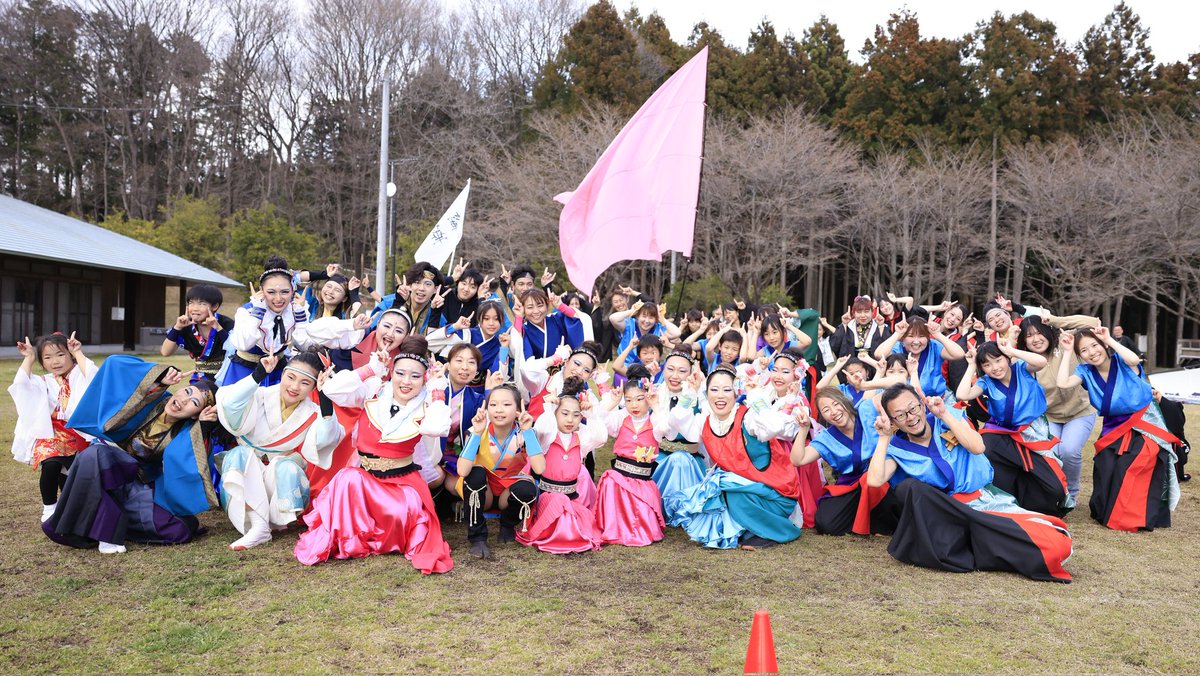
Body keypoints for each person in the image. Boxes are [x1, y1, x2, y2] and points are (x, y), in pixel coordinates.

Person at [868, 384, 1074, 583]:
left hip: (982, 502)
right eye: (901, 415)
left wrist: (944, 415)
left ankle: (984, 544)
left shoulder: (947, 417)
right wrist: (884, 437)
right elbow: (875, 480)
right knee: (910, 489)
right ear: (893, 421)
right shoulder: (898, 449)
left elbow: (977, 446)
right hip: (949, 514)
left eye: (913, 408)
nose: (911, 418)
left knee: (1055, 541)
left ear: (922, 404)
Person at [293, 335, 455, 574]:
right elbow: (332, 389)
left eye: (415, 375)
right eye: (400, 373)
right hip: (367, 479)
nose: (406, 381)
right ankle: (350, 538)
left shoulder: (428, 401)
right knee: (347, 478)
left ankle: (383, 537)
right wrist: (370, 369)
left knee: (404, 510)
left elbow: (435, 428)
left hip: (402, 485)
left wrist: (438, 391)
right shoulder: (376, 388)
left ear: (425, 378)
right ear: (392, 371)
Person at [44, 356, 219, 553]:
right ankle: (105, 531)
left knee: (179, 530)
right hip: (107, 462)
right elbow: (114, 365)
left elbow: (180, 461)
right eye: (186, 391)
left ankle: (102, 521)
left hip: (135, 483)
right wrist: (159, 377)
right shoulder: (153, 396)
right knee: (95, 454)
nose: (183, 401)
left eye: (193, 402)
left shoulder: (187, 432)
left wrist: (202, 426)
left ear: (197, 414)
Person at [215, 351, 343, 550]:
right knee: (240, 454)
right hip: (248, 470)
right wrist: (258, 374)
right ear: (282, 374)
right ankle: (258, 526)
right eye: (290, 377)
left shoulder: (313, 412)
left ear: (313, 387)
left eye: (304, 383)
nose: (294, 387)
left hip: (277, 480)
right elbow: (230, 404)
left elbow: (326, 438)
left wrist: (325, 397)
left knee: (285, 466)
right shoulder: (259, 395)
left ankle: (272, 520)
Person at [1057, 327, 1179, 531]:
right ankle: (1105, 511)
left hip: (1144, 424)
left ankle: (1132, 517)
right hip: (1113, 427)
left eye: (1095, 345)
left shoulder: (1121, 361)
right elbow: (1062, 383)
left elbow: (1134, 360)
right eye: (1084, 350)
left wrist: (1109, 340)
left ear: (1104, 345)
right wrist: (1068, 351)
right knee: (1105, 466)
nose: (1092, 352)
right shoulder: (1085, 371)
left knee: (1132, 464)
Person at [668, 365, 803, 549]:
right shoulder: (706, 422)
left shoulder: (748, 418)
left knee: (727, 490)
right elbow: (675, 422)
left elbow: (774, 426)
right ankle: (748, 528)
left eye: (727, 389)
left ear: (735, 392)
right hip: (742, 489)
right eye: (714, 390)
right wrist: (691, 391)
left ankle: (780, 530)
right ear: (707, 394)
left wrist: (755, 395)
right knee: (713, 496)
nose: (720, 395)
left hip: (776, 493)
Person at [956, 340, 1070, 516]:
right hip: (1003, 435)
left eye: (998, 360)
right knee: (988, 447)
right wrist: (971, 365)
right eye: (987, 364)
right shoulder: (986, 381)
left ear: (1007, 358)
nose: (994, 367)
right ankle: (1005, 500)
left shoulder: (1023, 368)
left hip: (1034, 434)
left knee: (1054, 488)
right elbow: (962, 395)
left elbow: (1041, 362)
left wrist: (1011, 350)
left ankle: (1035, 500)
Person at [793, 387, 902, 536]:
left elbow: (897, 387)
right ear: (823, 417)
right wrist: (804, 429)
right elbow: (798, 459)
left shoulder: (866, 411)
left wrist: (869, 383)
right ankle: (865, 516)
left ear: (845, 401)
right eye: (826, 410)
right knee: (826, 523)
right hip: (852, 486)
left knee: (873, 482)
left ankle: (880, 521)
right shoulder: (826, 438)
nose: (834, 411)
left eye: (836, 404)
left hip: (884, 478)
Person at [10, 332, 96, 522]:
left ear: (70, 355)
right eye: (47, 357)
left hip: (79, 434)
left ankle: (69, 512)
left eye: (60, 354)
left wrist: (78, 352)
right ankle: (49, 507)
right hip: (52, 433)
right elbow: (21, 384)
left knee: (71, 477)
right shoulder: (44, 381)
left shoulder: (78, 375)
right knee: (51, 463)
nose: (55, 361)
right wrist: (29, 358)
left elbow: (92, 375)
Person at [1017, 316, 1099, 504]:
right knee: (1052, 453)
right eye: (1029, 336)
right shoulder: (1027, 363)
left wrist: (1054, 320)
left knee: (1069, 451)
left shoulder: (1065, 344)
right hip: (1050, 417)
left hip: (1080, 412)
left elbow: (1093, 323)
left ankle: (1071, 493)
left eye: (1039, 332)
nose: (1036, 339)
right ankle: (1055, 492)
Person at [518, 377, 605, 554]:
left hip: (570, 498)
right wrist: (549, 409)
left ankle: (572, 535)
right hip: (548, 497)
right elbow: (542, 427)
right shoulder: (548, 437)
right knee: (560, 502)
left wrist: (592, 415)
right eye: (564, 413)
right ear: (556, 414)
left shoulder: (581, 437)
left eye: (576, 415)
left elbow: (601, 437)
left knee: (577, 517)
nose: (570, 420)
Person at [456, 384, 541, 559]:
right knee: (474, 474)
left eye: (506, 405)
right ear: (486, 408)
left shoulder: (525, 433)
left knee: (527, 489)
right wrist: (477, 433)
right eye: (493, 405)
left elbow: (539, 469)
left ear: (518, 408)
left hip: (508, 491)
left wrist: (528, 431)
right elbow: (462, 470)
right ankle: (477, 536)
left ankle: (507, 524)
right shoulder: (476, 430)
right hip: (483, 489)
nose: (499, 410)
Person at [594, 364, 667, 547]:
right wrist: (611, 403)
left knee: (643, 521)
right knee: (610, 480)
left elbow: (665, 429)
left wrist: (656, 405)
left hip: (642, 481)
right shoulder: (621, 418)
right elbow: (600, 421)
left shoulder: (654, 421)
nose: (634, 405)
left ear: (647, 398)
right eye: (629, 400)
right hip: (619, 478)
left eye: (639, 399)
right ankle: (614, 528)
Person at [219, 255, 309, 387]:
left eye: (284, 292)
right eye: (271, 292)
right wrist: (257, 314)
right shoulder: (247, 311)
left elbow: (305, 346)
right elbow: (243, 344)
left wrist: (301, 317)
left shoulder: (296, 309)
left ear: (292, 291)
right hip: (245, 371)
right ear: (261, 290)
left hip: (278, 370)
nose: (278, 299)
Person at [651, 347, 708, 525]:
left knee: (680, 460)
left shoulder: (699, 397)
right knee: (676, 460)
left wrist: (693, 393)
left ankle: (681, 509)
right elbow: (660, 431)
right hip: (661, 460)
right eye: (670, 369)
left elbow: (697, 434)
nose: (675, 375)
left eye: (682, 371)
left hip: (691, 461)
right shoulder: (657, 394)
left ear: (691, 373)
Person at [873, 316, 965, 400]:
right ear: (903, 337)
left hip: (937, 400)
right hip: (902, 401)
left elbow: (959, 354)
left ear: (928, 337)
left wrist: (937, 334)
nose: (916, 341)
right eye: (910, 336)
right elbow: (878, 354)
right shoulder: (897, 347)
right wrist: (897, 334)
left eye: (921, 336)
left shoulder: (934, 346)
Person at [161, 284, 233, 381]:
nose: (194, 308)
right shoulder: (185, 325)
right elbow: (165, 352)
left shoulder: (226, 324)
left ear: (215, 306)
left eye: (201, 304)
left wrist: (218, 328)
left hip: (228, 377)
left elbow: (236, 350)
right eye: (191, 303)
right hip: (201, 378)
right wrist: (177, 328)